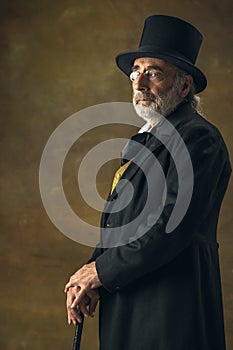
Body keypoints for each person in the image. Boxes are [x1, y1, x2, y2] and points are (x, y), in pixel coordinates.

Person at [64, 15, 231, 350]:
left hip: (170, 310)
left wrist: (101, 271)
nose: (139, 83)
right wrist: (90, 274)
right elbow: (121, 223)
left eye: (153, 73)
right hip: (129, 298)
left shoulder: (199, 138)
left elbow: (170, 226)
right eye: (135, 72)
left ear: (184, 87)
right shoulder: (147, 141)